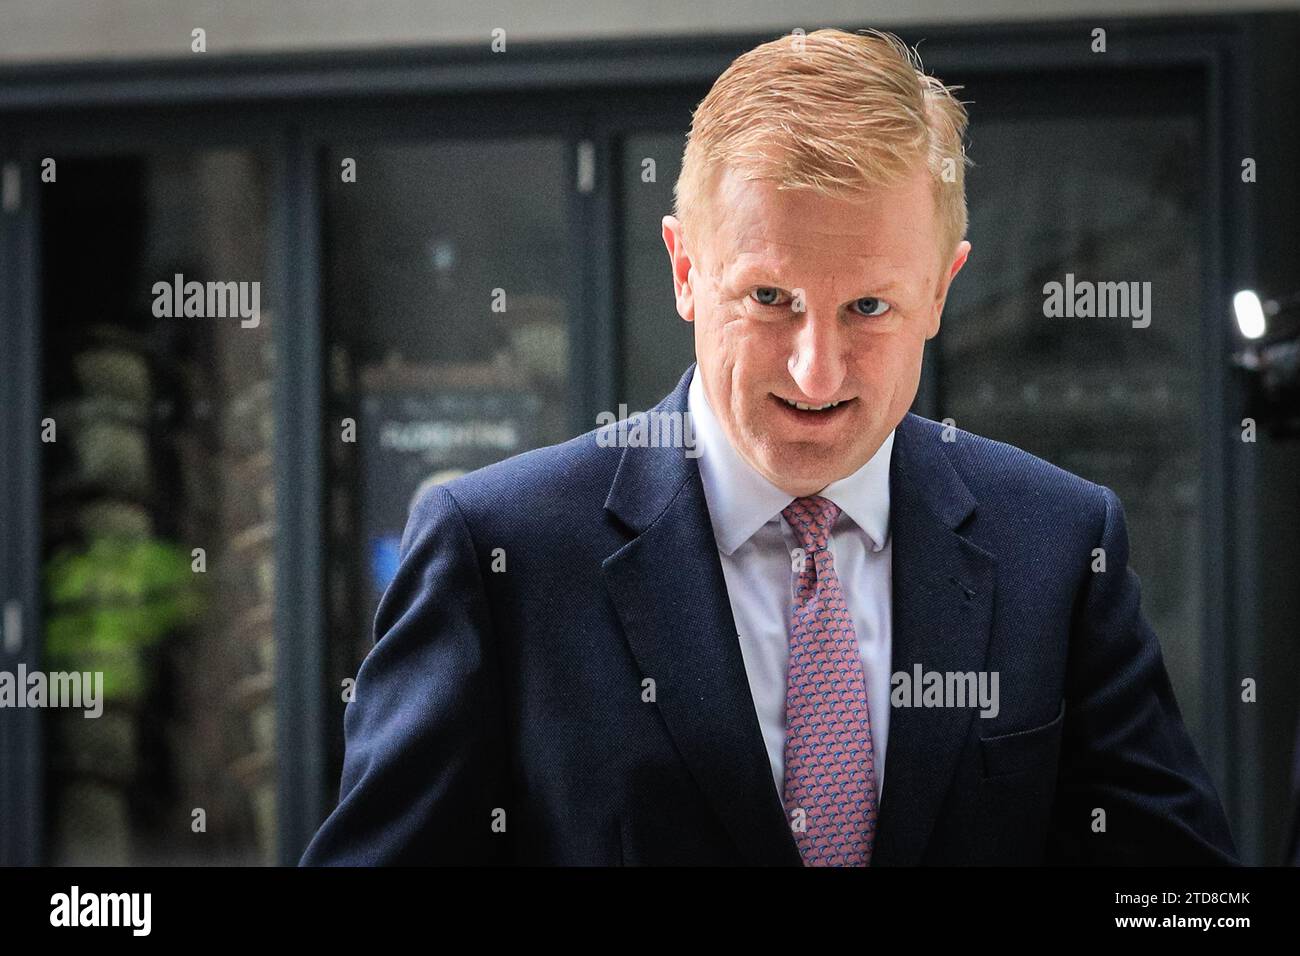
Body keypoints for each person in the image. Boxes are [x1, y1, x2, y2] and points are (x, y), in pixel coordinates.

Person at [300, 28, 1236, 866]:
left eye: (869, 306)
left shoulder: (1062, 545)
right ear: (684, 270)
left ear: (942, 289)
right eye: (769, 299)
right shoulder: (497, 551)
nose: (818, 371)